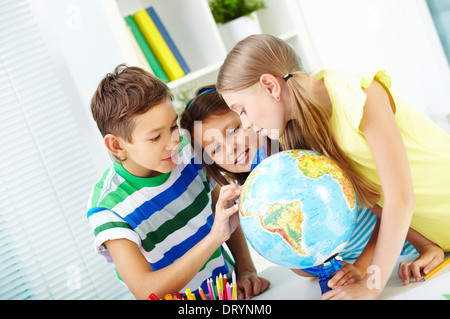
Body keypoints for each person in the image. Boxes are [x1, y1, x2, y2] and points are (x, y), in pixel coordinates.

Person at [216, 34, 450, 299]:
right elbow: (373, 199)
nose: (245, 124)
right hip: (440, 236)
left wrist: (371, 287)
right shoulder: (294, 133)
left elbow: (401, 197)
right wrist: (372, 266)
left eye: (242, 109)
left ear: (270, 86)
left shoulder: (359, 94)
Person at [179, 84, 427, 292]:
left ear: (249, 117)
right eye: (215, 149)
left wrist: (362, 267)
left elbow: (382, 204)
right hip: (370, 271)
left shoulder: (301, 154)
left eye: (233, 131)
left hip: (402, 250)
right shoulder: (254, 196)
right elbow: (302, 269)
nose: (229, 148)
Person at [87, 64, 269, 300]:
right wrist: (214, 238)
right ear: (117, 146)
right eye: (155, 137)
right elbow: (145, 290)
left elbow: (225, 216)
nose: (173, 142)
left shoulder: (188, 151)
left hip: (232, 296)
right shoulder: (108, 207)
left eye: (173, 126)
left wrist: (245, 269)